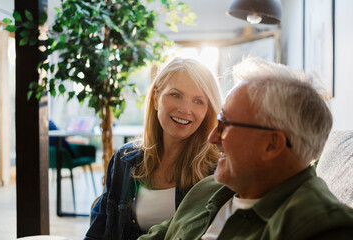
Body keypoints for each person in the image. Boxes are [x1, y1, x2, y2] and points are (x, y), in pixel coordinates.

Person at [138, 56, 353, 240]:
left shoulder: (323, 227)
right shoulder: (208, 190)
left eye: (225, 125)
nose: (212, 137)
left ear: (272, 144)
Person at [84, 57, 223, 240]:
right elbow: (98, 232)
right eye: (175, 95)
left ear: (208, 110)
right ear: (156, 98)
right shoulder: (124, 159)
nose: (185, 109)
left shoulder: (217, 171)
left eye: (198, 101)